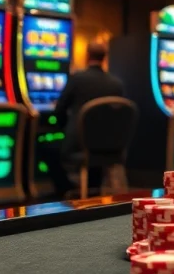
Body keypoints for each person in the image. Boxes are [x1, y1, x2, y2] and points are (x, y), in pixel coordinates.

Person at [47, 43, 125, 197]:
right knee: (94, 144)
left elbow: (59, 110)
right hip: (109, 146)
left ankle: (66, 191)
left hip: (79, 145)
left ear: (87, 56)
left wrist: (63, 127)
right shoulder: (116, 84)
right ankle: (92, 189)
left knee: (46, 146)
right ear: (104, 58)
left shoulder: (77, 79)